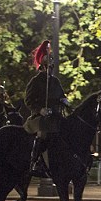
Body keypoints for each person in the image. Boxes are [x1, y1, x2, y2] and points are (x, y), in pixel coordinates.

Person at [24, 40, 68, 175]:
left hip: (55, 115)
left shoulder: (55, 81)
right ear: (42, 65)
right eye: (47, 63)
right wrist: (40, 110)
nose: (50, 66)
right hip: (40, 117)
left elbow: (61, 95)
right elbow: (28, 100)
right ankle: (36, 161)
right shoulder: (35, 81)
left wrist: (64, 100)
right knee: (43, 131)